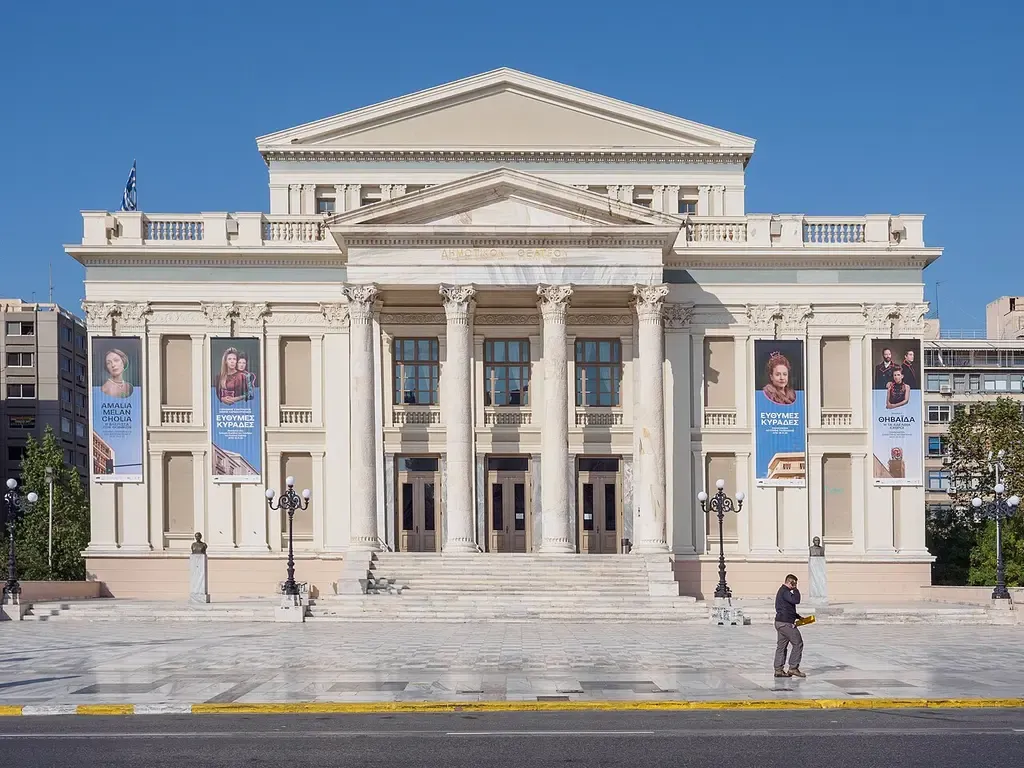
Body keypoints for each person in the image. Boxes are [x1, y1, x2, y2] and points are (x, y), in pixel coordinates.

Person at [774, 574, 806, 678]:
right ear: (790, 582)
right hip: (786, 623)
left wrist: (798, 617)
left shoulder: (782, 591)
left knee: (781, 646)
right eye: (794, 583)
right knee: (798, 643)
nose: (795, 585)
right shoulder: (785, 591)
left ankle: (778, 670)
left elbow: (787, 608)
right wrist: (796, 589)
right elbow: (796, 600)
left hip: (780, 622)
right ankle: (793, 668)